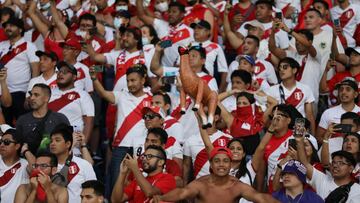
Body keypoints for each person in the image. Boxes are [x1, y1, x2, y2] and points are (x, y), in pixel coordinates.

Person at [90, 65, 151, 195]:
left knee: (138, 184)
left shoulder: (151, 99)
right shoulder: (122, 95)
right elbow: (103, 93)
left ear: (143, 80)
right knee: (117, 184)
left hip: (141, 148)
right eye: (128, 81)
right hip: (120, 148)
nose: (130, 84)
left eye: (133, 80)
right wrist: (94, 78)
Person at [152, 147, 280, 203]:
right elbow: (182, 193)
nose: (221, 165)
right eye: (217, 161)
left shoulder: (237, 185)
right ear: (211, 165)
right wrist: (162, 198)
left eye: (225, 161)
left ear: (230, 165)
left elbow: (261, 198)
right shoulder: (201, 184)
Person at [298, 132, 360, 203]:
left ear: (351, 168)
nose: (335, 165)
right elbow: (304, 163)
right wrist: (299, 141)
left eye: (341, 163)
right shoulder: (322, 180)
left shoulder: (357, 191)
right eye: (333, 162)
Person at [0, 17, 40, 124]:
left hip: (20, 92)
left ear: (20, 29)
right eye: (6, 26)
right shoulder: (1, 45)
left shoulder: (29, 46)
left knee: (21, 125)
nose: (8, 28)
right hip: (2, 91)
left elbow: (35, 71)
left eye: (12, 26)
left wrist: (30, 93)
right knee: (5, 126)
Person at [266, 57, 316, 134]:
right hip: (280, 128)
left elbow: (310, 115)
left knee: (297, 144)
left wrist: (313, 137)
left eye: (285, 67)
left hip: (299, 126)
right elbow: (268, 115)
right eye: (279, 68)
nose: (281, 70)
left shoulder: (305, 89)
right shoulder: (272, 90)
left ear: (294, 70)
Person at [17, 83, 70, 154]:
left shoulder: (60, 119)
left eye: (36, 95)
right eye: (31, 94)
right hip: (28, 162)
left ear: (46, 98)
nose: (32, 98)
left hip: (54, 162)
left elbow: (68, 143)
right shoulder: (22, 120)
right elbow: (17, 146)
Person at [48, 61, 94, 143]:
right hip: (49, 140)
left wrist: (83, 146)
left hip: (72, 143)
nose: (60, 74)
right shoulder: (48, 93)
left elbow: (89, 123)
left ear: (74, 77)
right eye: (59, 71)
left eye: (65, 72)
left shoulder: (83, 95)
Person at [111, 145, 176, 202]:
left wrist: (135, 169)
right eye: (144, 156)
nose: (144, 159)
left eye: (149, 156)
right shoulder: (138, 180)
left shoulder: (168, 178)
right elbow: (116, 200)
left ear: (160, 162)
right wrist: (122, 173)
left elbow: (149, 192)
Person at [137, 0, 193, 67]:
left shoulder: (189, 31)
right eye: (169, 11)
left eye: (174, 12)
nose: (170, 14)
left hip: (179, 69)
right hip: (162, 71)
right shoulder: (161, 24)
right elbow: (141, 16)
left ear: (182, 14)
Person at [49, 124, 97, 203]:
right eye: (51, 141)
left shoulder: (84, 164)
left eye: (57, 140)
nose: (52, 143)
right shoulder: (46, 166)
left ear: (68, 144)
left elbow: (93, 192)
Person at [317, 78, 360, 143]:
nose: (343, 92)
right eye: (341, 89)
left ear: (356, 94)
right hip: (333, 151)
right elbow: (318, 138)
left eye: (348, 89)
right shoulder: (328, 112)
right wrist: (327, 134)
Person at [190, 20, 228, 92]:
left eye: (199, 28)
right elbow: (178, 65)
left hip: (207, 84)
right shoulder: (187, 46)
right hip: (188, 82)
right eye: (195, 28)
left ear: (208, 32)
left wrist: (220, 91)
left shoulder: (216, 47)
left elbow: (224, 71)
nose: (196, 30)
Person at [0, 129, 29, 202]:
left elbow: (35, 169)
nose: (2, 145)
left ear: (17, 146)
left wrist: (25, 150)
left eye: (6, 142)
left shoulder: (25, 164)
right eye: (0, 142)